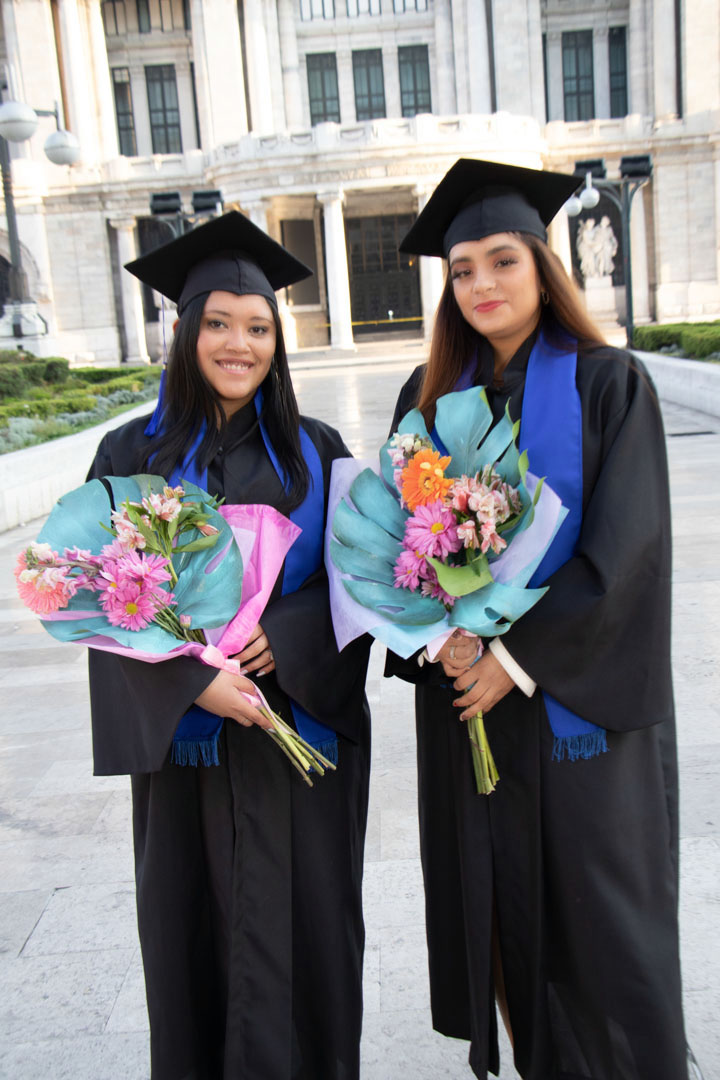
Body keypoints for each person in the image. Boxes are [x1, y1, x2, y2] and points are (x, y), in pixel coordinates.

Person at [386, 159, 690, 1079]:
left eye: (501, 261)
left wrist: (515, 659)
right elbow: (396, 549)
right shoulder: (427, 397)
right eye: (463, 268)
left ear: (542, 266)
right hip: (469, 712)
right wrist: (439, 636)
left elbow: (630, 552)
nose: (481, 284)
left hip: (574, 709)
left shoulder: (609, 383)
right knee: (502, 917)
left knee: (605, 933)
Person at [86, 212, 371, 1080]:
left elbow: (358, 585)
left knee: (312, 940)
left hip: (297, 748)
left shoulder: (315, 453)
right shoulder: (130, 451)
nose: (238, 344)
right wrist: (188, 682)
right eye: (218, 323)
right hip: (190, 758)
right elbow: (98, 599)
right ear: (184, 330)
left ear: (277, 340)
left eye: (258, 327)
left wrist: (288, 640)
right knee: (192, 941)